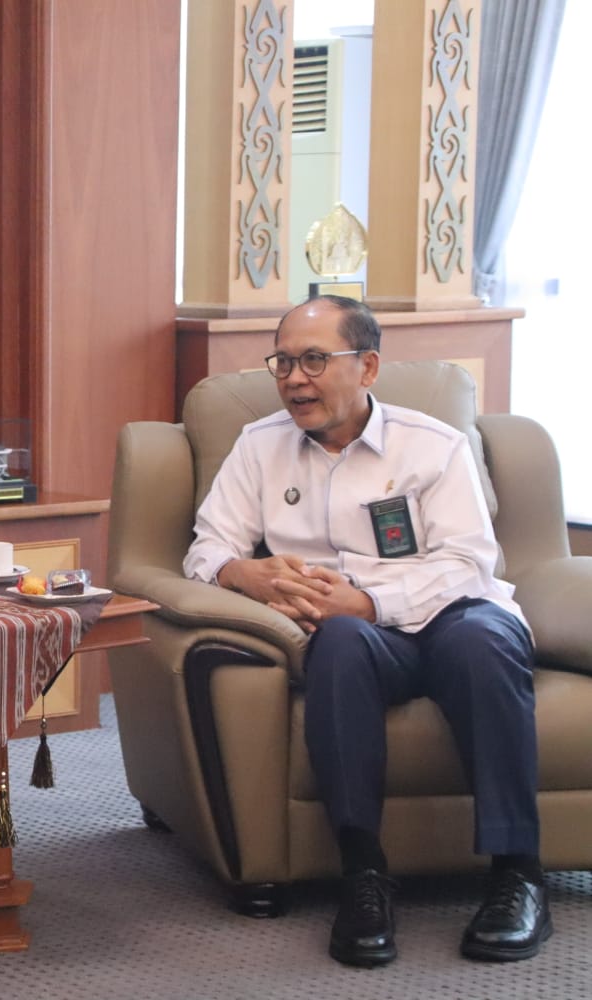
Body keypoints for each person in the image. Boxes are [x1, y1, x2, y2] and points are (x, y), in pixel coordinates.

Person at [184, 295, 549, 968]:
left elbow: (468, 563)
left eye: (314, 360)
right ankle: (363, 875)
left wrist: (371, 601)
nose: (295, 379)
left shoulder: (432, 445)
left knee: (484, 642)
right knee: (338, 645)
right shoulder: (259, 446)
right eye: (283, 362)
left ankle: (517, 874)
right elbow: (207, 547)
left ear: (368, 366)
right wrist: (243, 572)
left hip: (451, 616)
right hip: (355, 636)